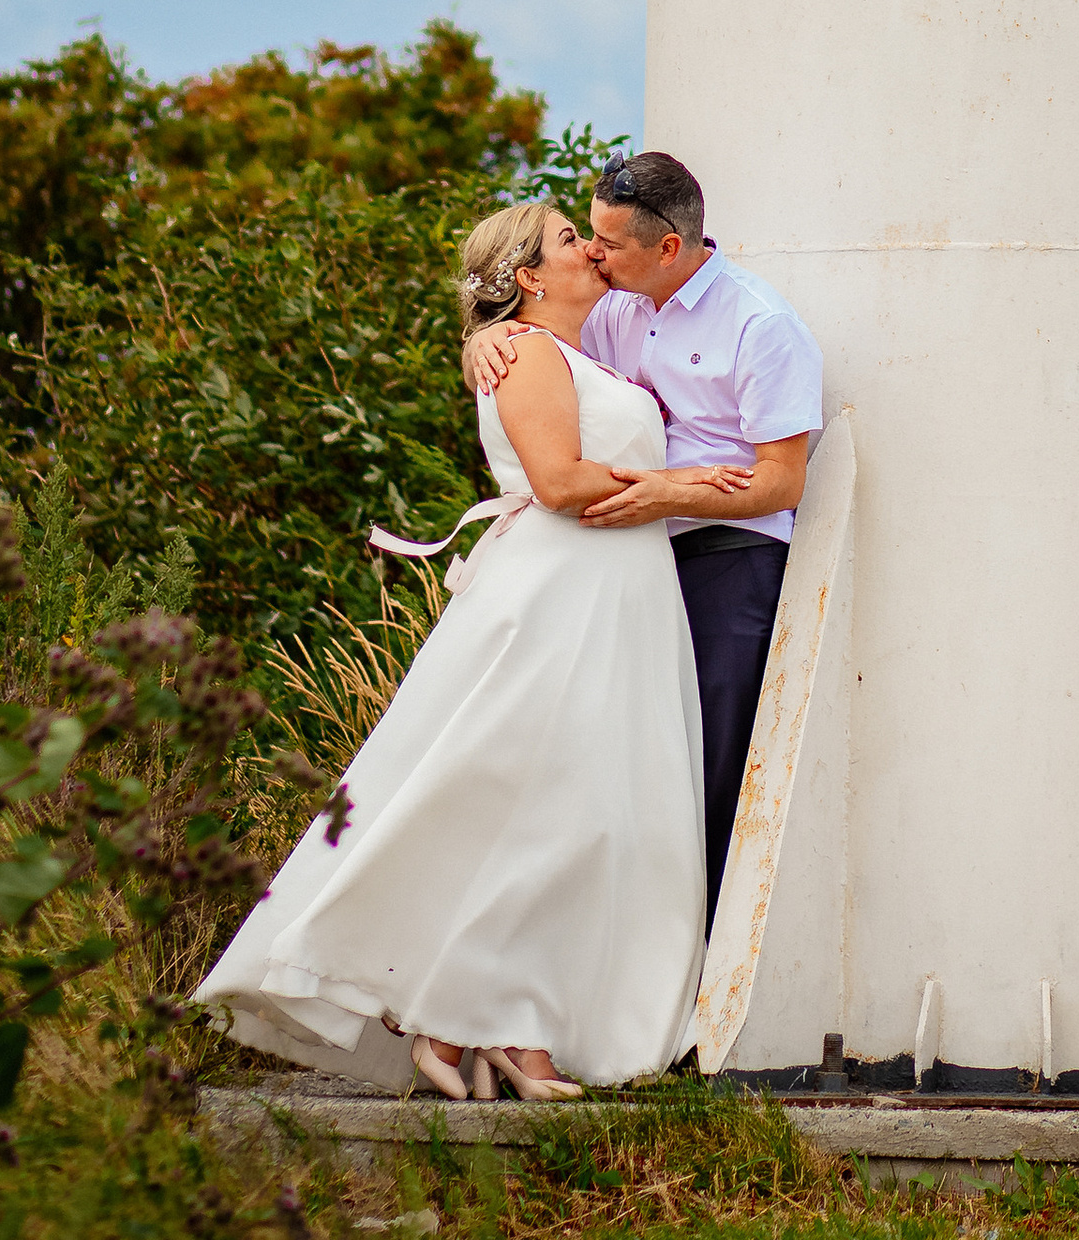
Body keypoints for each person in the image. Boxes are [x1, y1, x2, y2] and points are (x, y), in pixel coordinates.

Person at [195, 199, 750, 1097]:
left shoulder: (569, 344)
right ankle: (464, 1017)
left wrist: (483, 334)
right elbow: (559, 481)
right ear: (529, 276)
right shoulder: (527, 350)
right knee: (527, 805)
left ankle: (494, 1024)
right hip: (564, 595)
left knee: (577, 815)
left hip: (620, 597)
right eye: (570, 238)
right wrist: (677, 481)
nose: (592, 249)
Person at [464, 149, 821, 926]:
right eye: (586, 237)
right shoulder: (612, 308)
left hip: (730, 560)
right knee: (628, 763)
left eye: (608, 243)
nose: (593, 254)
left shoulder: (761, 325)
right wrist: (483, 338)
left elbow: (783, 483)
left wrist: (670, 492)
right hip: (628, 563)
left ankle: (706, 958)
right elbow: (539, 348)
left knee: (711, 761)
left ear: (667, 247)